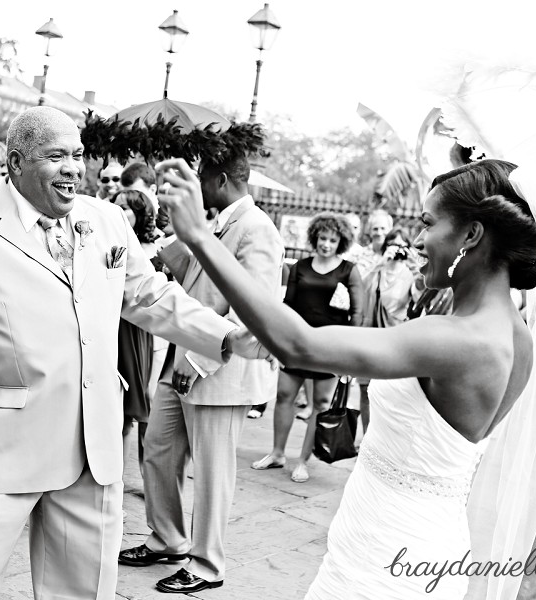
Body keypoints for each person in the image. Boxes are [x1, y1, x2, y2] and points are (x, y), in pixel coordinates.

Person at [0, 106, 267, 600]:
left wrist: (223, 336)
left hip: (95, 446)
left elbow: (149, 295)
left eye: (78, 155)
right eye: (56, 156)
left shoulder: (105, 220)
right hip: (3, 448)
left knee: (84, 592)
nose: (73, 168)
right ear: (16, 163)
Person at [157, 157, 536, 599]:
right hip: (426, 537)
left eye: (428, 223)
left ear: (471, 235)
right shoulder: (520, 339)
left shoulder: (453, 339)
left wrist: (200, 238)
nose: (417, 240)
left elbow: (300, 346)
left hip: (388, 553)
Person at [119, 150, 284, 594]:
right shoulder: (214, 221)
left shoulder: (256, 229)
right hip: (180, 361)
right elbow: (189, 278)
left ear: (222, 179)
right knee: (156, 450)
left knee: (211, 474)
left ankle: (208, 564)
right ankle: (168, 538)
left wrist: (198, 361)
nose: (196, 185)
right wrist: (176, 227)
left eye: (201, 178)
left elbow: (254, 309)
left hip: (219, 370)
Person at [251, 212, 363, 483]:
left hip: (329, 347)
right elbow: (287, 307)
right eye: (322, 238)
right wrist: (279, 343)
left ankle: (302, 461)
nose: (326, 244)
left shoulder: (349, 270)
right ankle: (277, 453)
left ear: (341, 242)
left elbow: (358, 315)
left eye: (332, 240)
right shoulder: (300, 266)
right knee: (285, 395)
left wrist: (349, 354)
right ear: (315, 237)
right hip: (297, 344)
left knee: (320, 404)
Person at [112, 189, 159, 475]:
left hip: (139, 331)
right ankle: (113, 482)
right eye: (115, 206)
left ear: (139, 215)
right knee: (118, 411)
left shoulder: (154, 249)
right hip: (113, 327)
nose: (117, 212)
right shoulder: (108, 242)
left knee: (139, 406)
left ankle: (145, 477)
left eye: (125, 208)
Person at [358, 228, 420, 431]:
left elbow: (420, 301)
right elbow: (359, 290)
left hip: (395, 341)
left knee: (388, 394)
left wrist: (414, 268)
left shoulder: (410, 274)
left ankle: (382, 436)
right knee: (366, 390)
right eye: (394, 245)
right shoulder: (378, 269)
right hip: (371, 337)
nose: (399, 251)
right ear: (386, 247)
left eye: (403, 246)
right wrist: (380, 264)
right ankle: (367, 436)